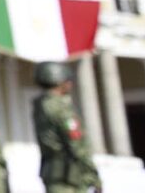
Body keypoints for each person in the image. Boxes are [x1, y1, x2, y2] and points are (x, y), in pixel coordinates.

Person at [32, 61, 101, 193]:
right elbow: (77, 145)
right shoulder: (61, 108)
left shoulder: (40, 106)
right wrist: (94, 176)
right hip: (69, 178)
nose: (70, 83)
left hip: (52, 175)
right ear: (58, 80)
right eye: (67, 80)